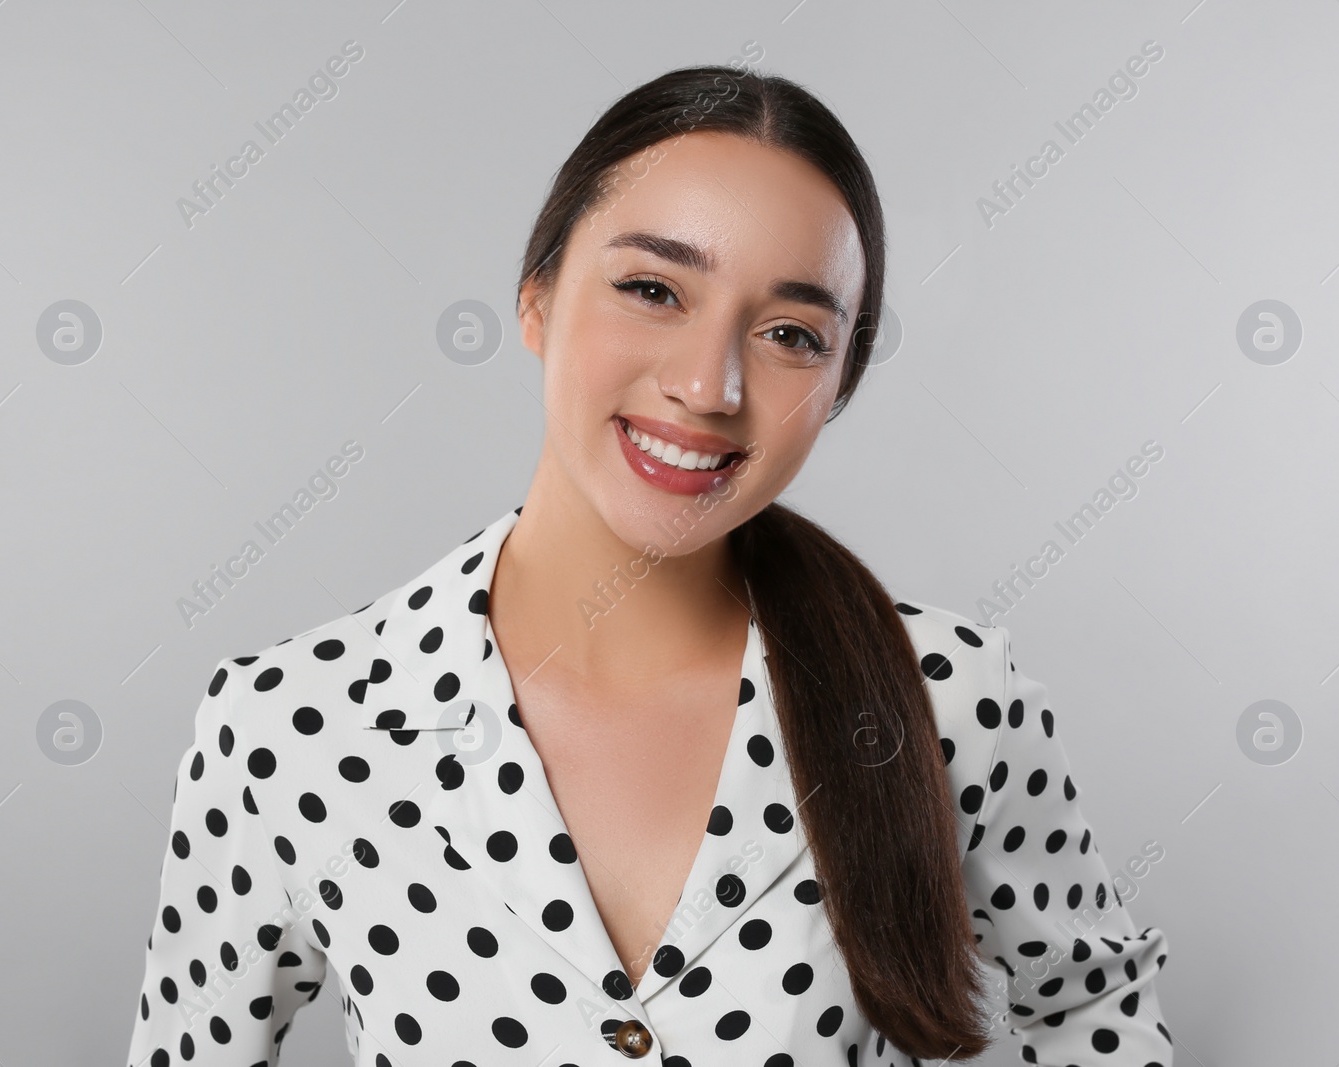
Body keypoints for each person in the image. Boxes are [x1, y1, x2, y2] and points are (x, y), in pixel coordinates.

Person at [125, 63, 1174, 1066]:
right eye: (651, 288)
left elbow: (1094, 1002)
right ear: (536, 299)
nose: (707, 383)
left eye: (789, 334)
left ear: (839, 382)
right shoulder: (288, 726)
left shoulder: (949, 697)